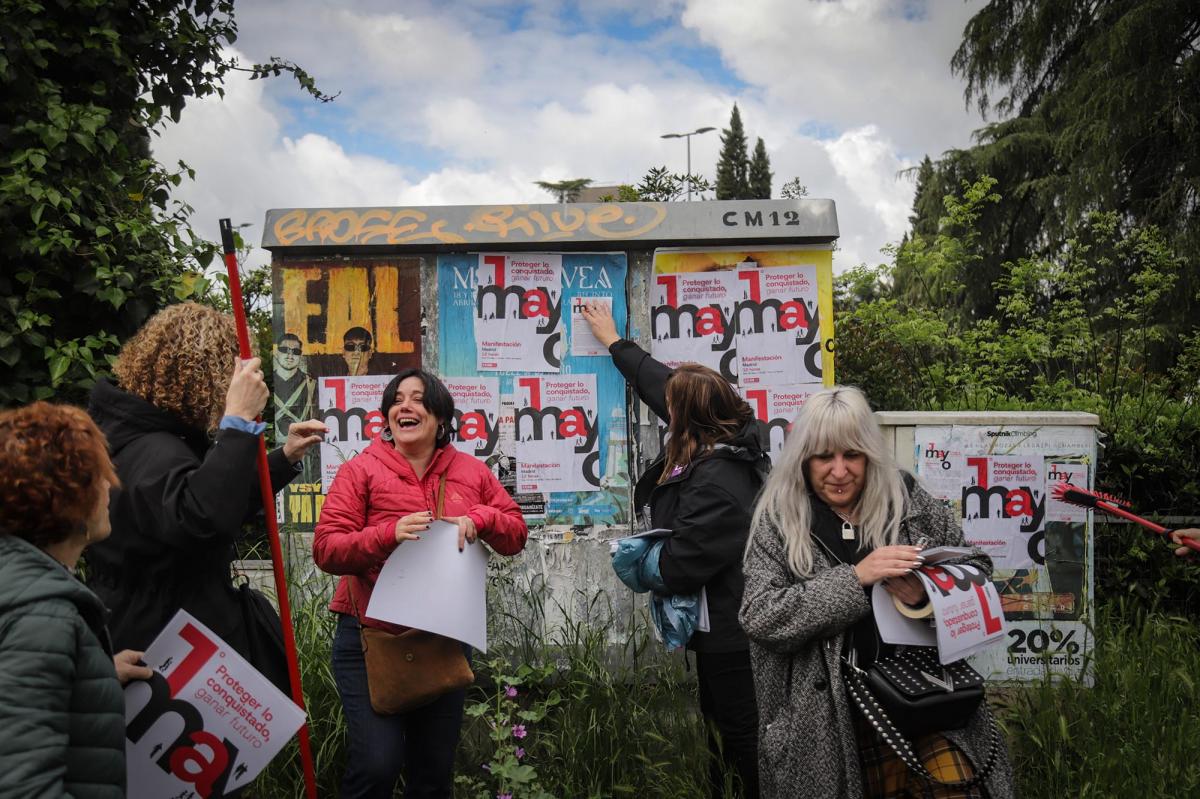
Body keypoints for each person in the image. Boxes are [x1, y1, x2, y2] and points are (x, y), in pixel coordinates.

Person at [739, 386, 1014, 799]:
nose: (839, 471)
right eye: (823, 456)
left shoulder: (908, 500)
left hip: (924, 701)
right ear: (803, 460)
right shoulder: (779, 520)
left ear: (869, 453)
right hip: (830, 720)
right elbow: (760, 615)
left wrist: (925, 596)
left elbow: (977, 572)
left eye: (852, 455)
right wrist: (855, 579)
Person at [313, 367, 529, 798]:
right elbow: (327, 548)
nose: (403, 406)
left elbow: (516, 533)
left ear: (440, 417)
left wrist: (480, 518)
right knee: (377, 765)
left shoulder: (473, 472)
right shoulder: (361, 471)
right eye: (396, 399)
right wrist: (386, 534)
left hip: (443, 641)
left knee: (432, 775)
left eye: (416, 398)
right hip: (369, 638)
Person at [86, 302, 326, 686]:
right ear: (204, 375)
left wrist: (282, 459)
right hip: (163, 645)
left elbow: (210, 500)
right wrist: (236, 422)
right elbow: (203, 519)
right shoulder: (155, 451)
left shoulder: (139, 437)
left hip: (153, 627)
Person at [582, 301, 765, 799]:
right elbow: (662, 385)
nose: (666, 408)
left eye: (674, 407)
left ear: (691, 418)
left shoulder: (717, 479)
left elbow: (683, 564)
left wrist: (639, 563)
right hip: (724, 625)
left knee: (736, 736)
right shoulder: (722, 444)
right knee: (722, 730)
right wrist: (615, 342)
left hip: (732, 631)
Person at [0, 402, 153, 798]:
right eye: (99, 477)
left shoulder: (25, 589)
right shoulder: (42, 617)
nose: (111, 487)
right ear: (66, 495)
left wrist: (94, 672)